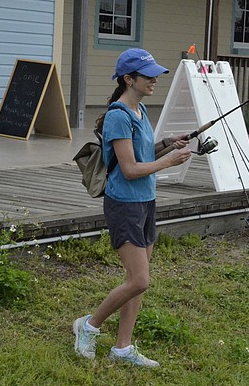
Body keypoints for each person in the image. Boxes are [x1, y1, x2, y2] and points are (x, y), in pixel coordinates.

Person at [73, 48, 192, 367]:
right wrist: (168, 161)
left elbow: (142, 154)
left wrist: (167, 144)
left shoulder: (140, 111)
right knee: (139, 280)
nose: (155, 79)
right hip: (124, 204)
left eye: (156, 74)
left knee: (137, 279)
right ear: (129, 79)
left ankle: (122, 348)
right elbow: (129, 169)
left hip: (146, 202)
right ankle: (88, 326)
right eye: (148, 75)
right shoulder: (118, 116)